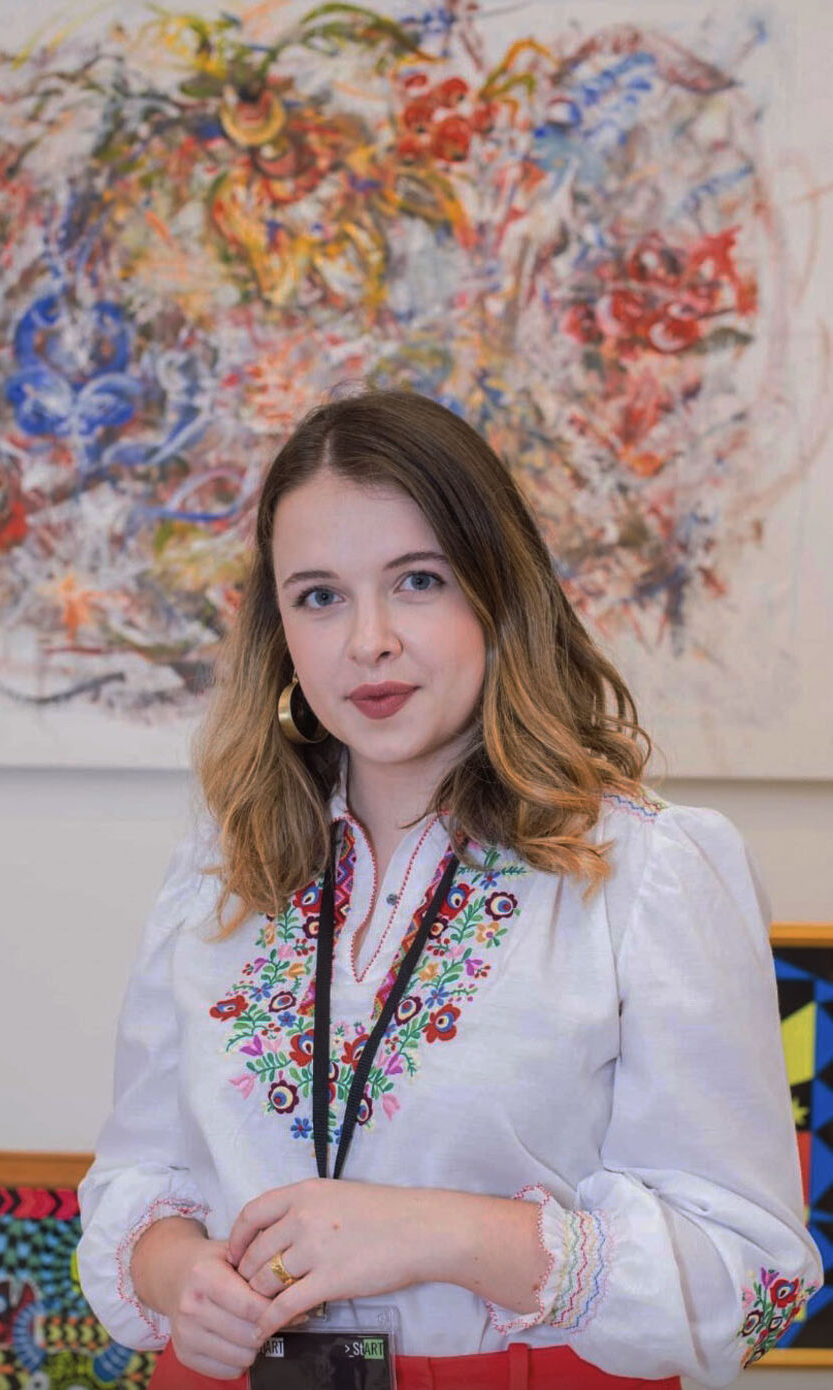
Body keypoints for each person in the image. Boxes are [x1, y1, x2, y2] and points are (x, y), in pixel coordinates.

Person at [77, 387, 822, 1390]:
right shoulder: (220, 872)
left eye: (416, 580)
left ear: (497, 589)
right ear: (280, 629)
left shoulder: (648, 871)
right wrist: (178, 1279)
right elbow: (138, 1179)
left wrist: (441, 1231)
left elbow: (757, 1288)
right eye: (319, 595)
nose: (368, 640)